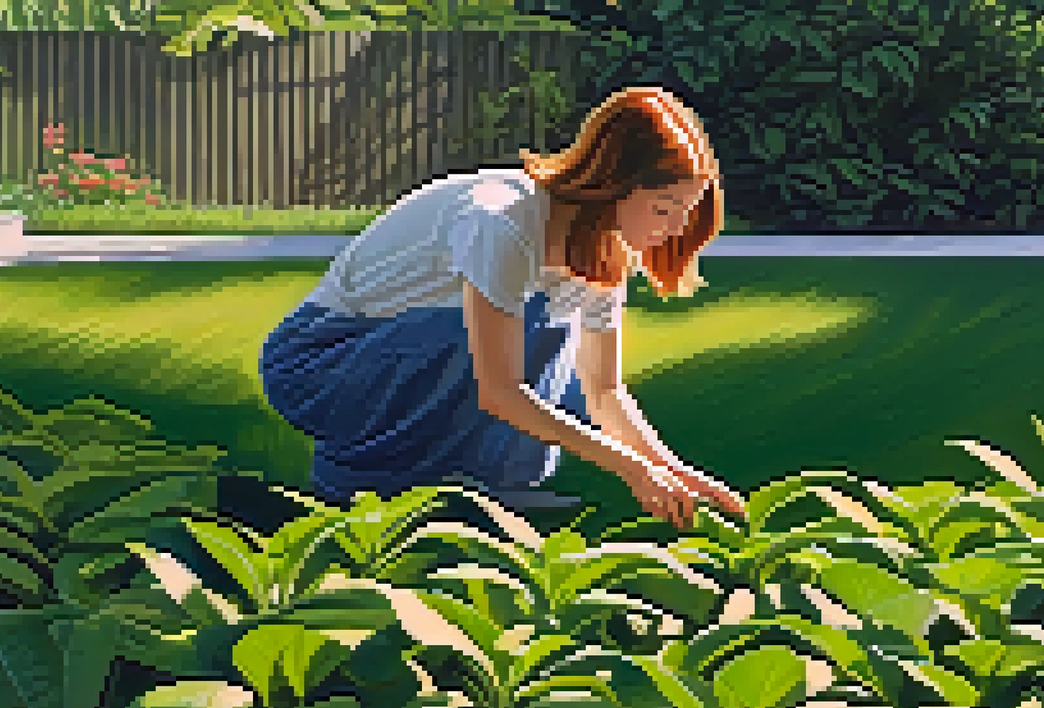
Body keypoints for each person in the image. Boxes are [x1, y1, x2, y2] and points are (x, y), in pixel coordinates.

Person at [259, 86, 747, 529]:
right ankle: (363, 487)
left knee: (553, 340)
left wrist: (670, 471)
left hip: (404, 359)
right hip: (320, 365)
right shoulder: (504, 222)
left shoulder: (604, 250)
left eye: (686, 213)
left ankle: (480, 490)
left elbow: (604, 388)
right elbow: (499, 390)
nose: (675, 230)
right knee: (509, 327)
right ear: (611, 186)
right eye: (663, 209)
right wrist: (630, 468)